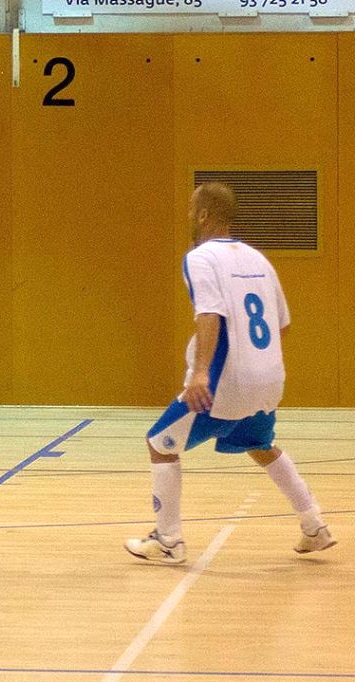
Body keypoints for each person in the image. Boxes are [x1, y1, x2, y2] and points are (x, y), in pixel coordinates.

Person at [125, 182, 337, 564]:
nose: (189, 216)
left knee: (160, 443)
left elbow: (209, 313)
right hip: (270, 379)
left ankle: (169, 541)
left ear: (204, 215)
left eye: (192, 210)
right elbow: (282, 324)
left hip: (226, 381)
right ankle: (314, 525)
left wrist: (201, 372)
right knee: (260, 445)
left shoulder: (200, 257)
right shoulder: (259, 259)